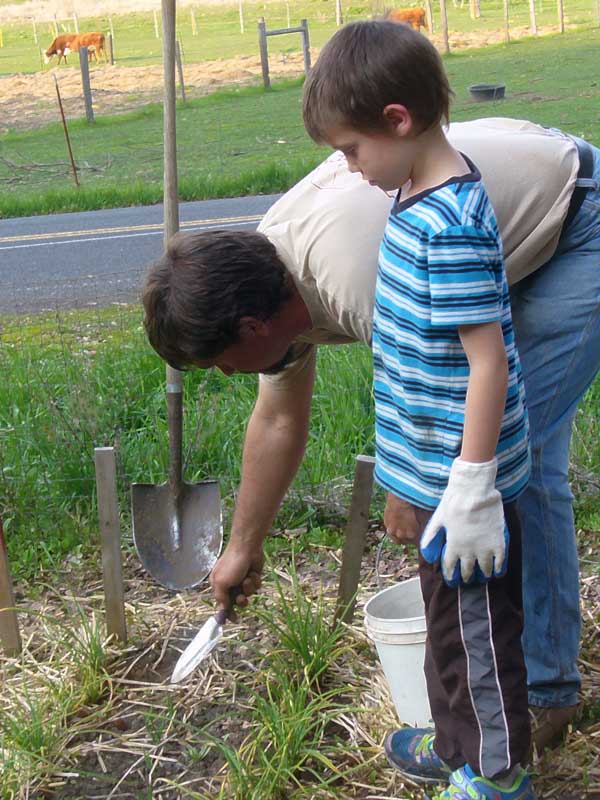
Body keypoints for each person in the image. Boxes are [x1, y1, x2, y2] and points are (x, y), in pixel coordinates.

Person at [142, 108, 600, 764]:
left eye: (218, 361)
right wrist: (242, 547)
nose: (223, 374)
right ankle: (491, 708)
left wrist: (407, 488)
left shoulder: (359, 275)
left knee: (509, 469)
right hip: (505, 212)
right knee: (503, 470)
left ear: (251, 327)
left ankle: (544, 694)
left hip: (573, 223)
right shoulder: (266, 273)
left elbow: (443, 390)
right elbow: (278, 419)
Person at [301, 18, 535, 798]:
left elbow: (486, 361)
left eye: (349, 150)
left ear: (397, 120)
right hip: (437, 480)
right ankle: (459, 744)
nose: (347, 168)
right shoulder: (411, 196)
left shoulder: (450, 225)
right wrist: (409, 485)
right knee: (448, 630)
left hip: (468, 490)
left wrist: (470, 487)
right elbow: (412, 368)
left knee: (479, 639)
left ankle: (498, 777)